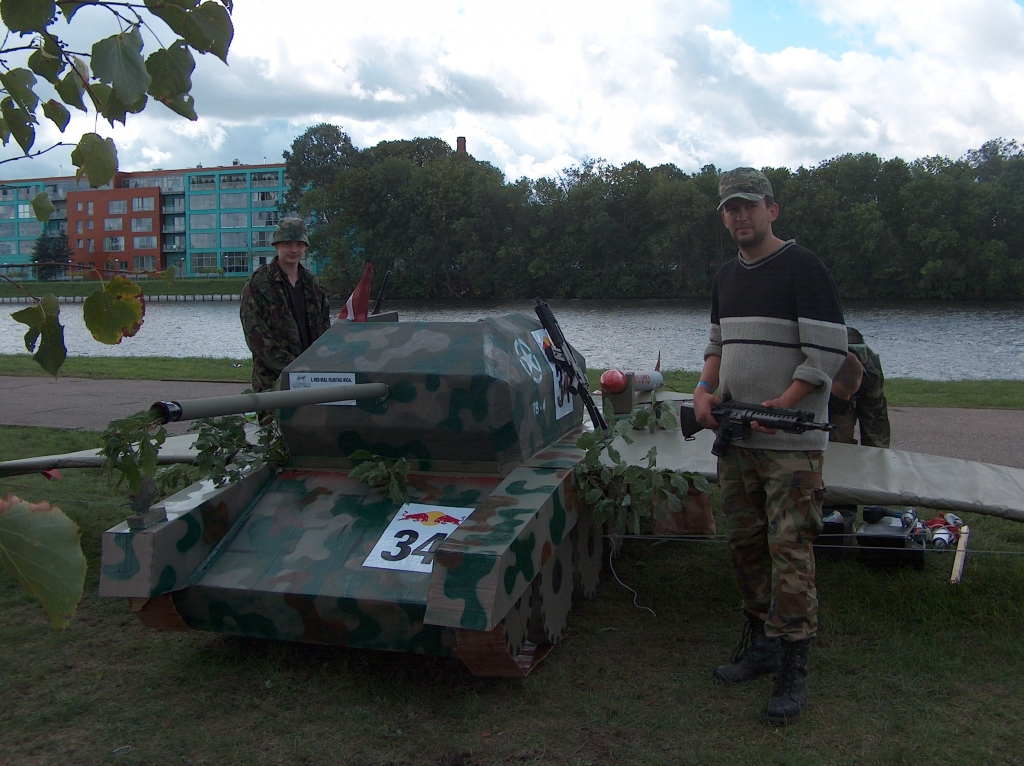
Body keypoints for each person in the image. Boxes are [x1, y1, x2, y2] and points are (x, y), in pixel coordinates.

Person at [693, 168, 847, 725]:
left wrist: (785, 402)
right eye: (730, 209)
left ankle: (792, 664)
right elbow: (716, 343)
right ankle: (759, 642)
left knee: (791, 547)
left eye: (749, 207)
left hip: (791, 442)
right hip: (736, 440)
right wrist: (705, 388)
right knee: (744, 543)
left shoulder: (804, 269)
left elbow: (828, 353)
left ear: (772, 210)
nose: (740, 217)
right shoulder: (726, 276)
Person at [240, 218, 331, 393]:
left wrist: (317, 364)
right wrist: (294, 367)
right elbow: (256, 336)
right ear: (277, 245)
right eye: (288, 243)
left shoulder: (313, 284)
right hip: (272, 381)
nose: (294, 250)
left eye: (299, 244)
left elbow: (324, 329)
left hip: (313, 378)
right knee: (274, 421)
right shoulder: (258, 283)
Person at [829, 327, 890, 447]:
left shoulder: (872, 374)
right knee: (838, 438)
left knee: (876, 441)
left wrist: (877, 456)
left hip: (866, 383)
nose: (847, 398)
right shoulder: (819, 365)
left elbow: (875, 421)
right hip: (828, 380)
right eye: (842, 394)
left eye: (851, 394)